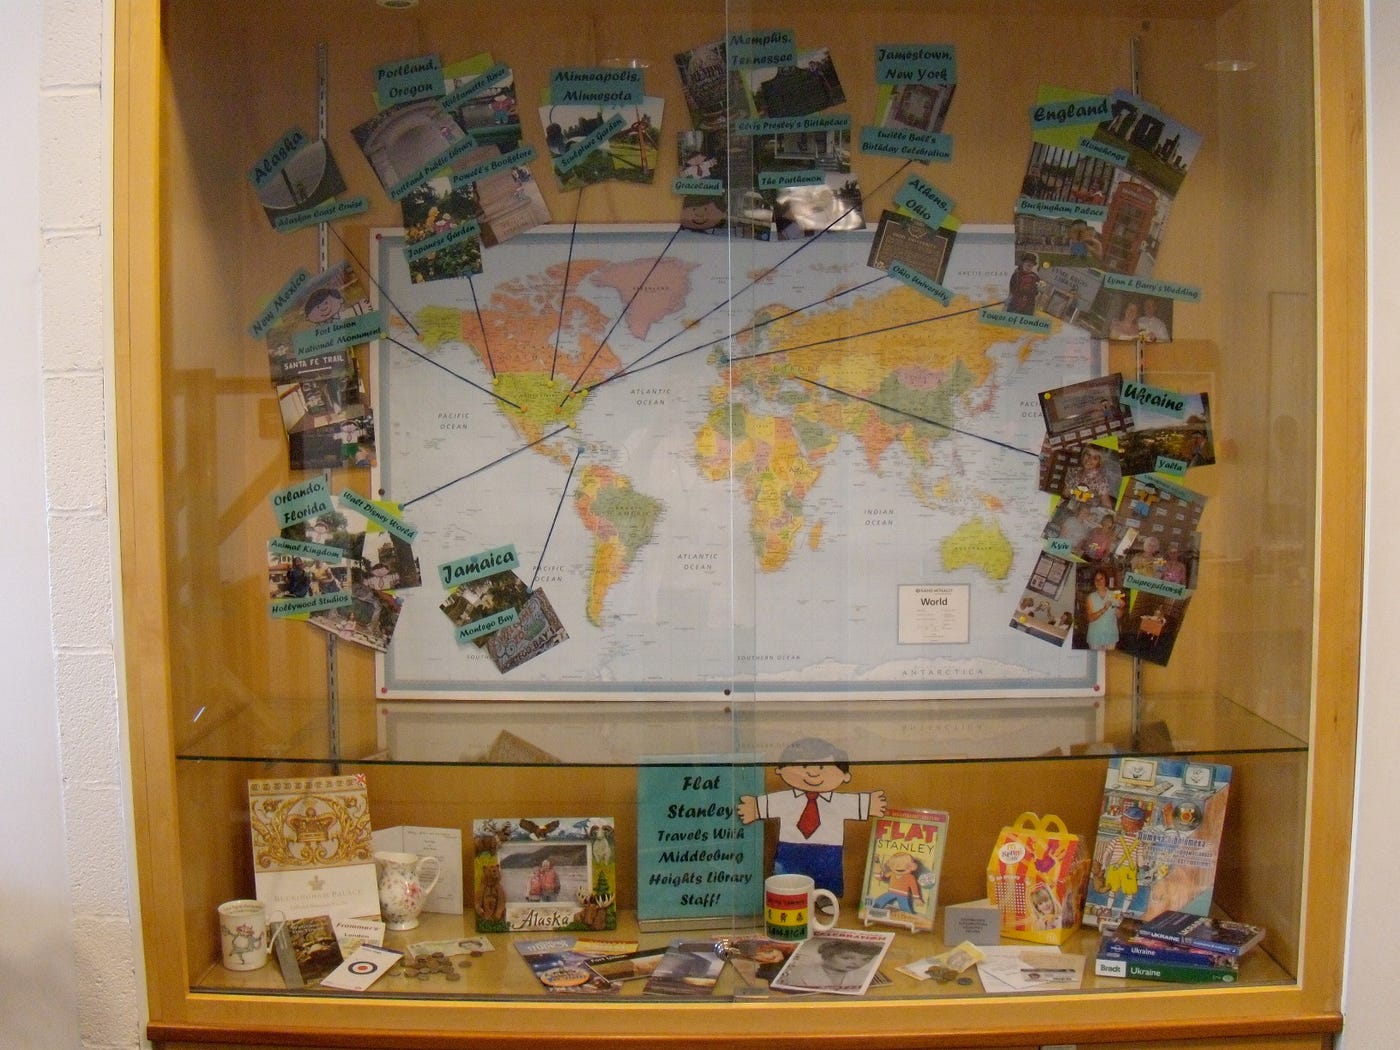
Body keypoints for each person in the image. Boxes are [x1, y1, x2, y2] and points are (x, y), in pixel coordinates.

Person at [738, 737, 886, 896]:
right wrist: (754, 807)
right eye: (804, 766)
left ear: (845, 775)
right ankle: (789, 899)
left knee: (828, 883)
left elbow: (857, 804)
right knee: (787, 883)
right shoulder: (785, 799)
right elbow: (765, 805)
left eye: (822, 767)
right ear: (780, 770)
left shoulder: (838, 802)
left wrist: (870, 804)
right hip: (790, 850)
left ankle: (825, 899)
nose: (813, 773)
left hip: (829, 852)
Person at [779, 936, 884, 991]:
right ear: (827, 954)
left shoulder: (867, 977)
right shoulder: (795, 973)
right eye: (847, 958)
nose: (857, 963)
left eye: (866, 959)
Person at [1084, 569, 1123, 650]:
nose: (1099, 581)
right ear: (1094, 582)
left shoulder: (1115, 594)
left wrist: (1119, 612)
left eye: (1101, 578)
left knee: (1109, 658)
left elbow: (1121, 610)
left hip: (1111, 636)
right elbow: (1090, 618)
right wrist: (1104, 609)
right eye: (1096, 579)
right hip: (1095, 637)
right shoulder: (1090, 597)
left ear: (1106, 580)